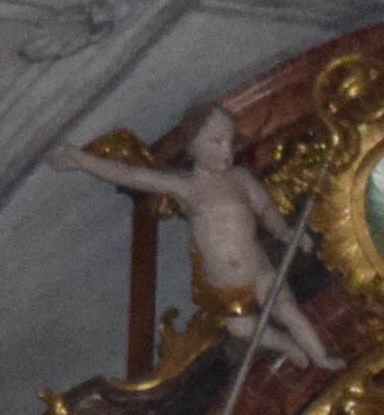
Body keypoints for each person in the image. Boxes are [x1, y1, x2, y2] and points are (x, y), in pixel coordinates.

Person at [82, 103, 329, 371]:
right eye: (217, 142)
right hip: (223, 285)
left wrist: (285, 232)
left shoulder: (240, 179)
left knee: (289, 311)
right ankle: (285, 344)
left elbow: (266, 208)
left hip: (257, 269)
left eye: (230, 142)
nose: (227, 150)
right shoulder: (187, 186)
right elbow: (130, 174)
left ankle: (321, 357)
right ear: (192, 148)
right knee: (242, 329)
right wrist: (79, 160)